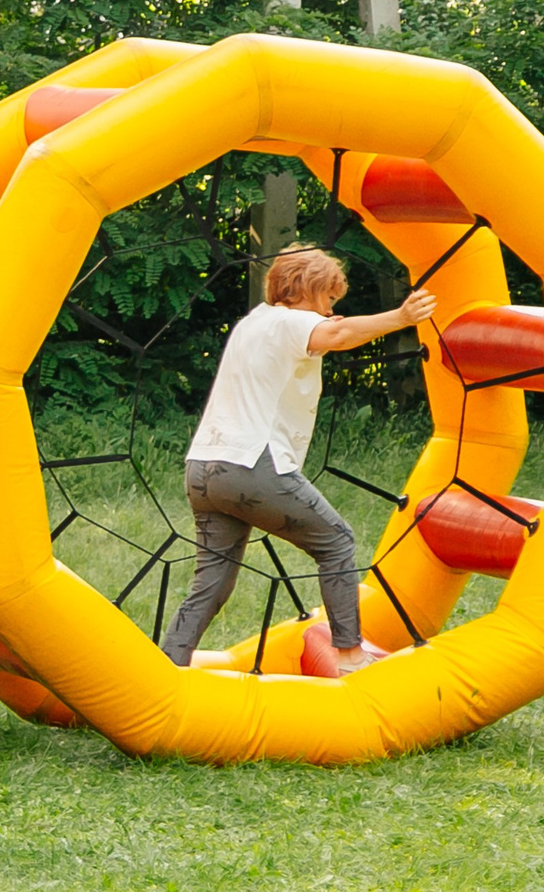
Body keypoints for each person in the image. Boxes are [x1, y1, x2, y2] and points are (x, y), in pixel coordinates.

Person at [158, 244, 437, 675]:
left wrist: (328, 323)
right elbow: (338, 336)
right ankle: (349, 656)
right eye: (329, 299)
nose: (330, 311)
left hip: (203, 470)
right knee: (337, 541)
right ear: (310, 288)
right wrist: (401, 317)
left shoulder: (255, 322)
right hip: (252, 466)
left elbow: (326, 333)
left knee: (211, 582)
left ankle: (166, 668)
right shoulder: (294, 321)